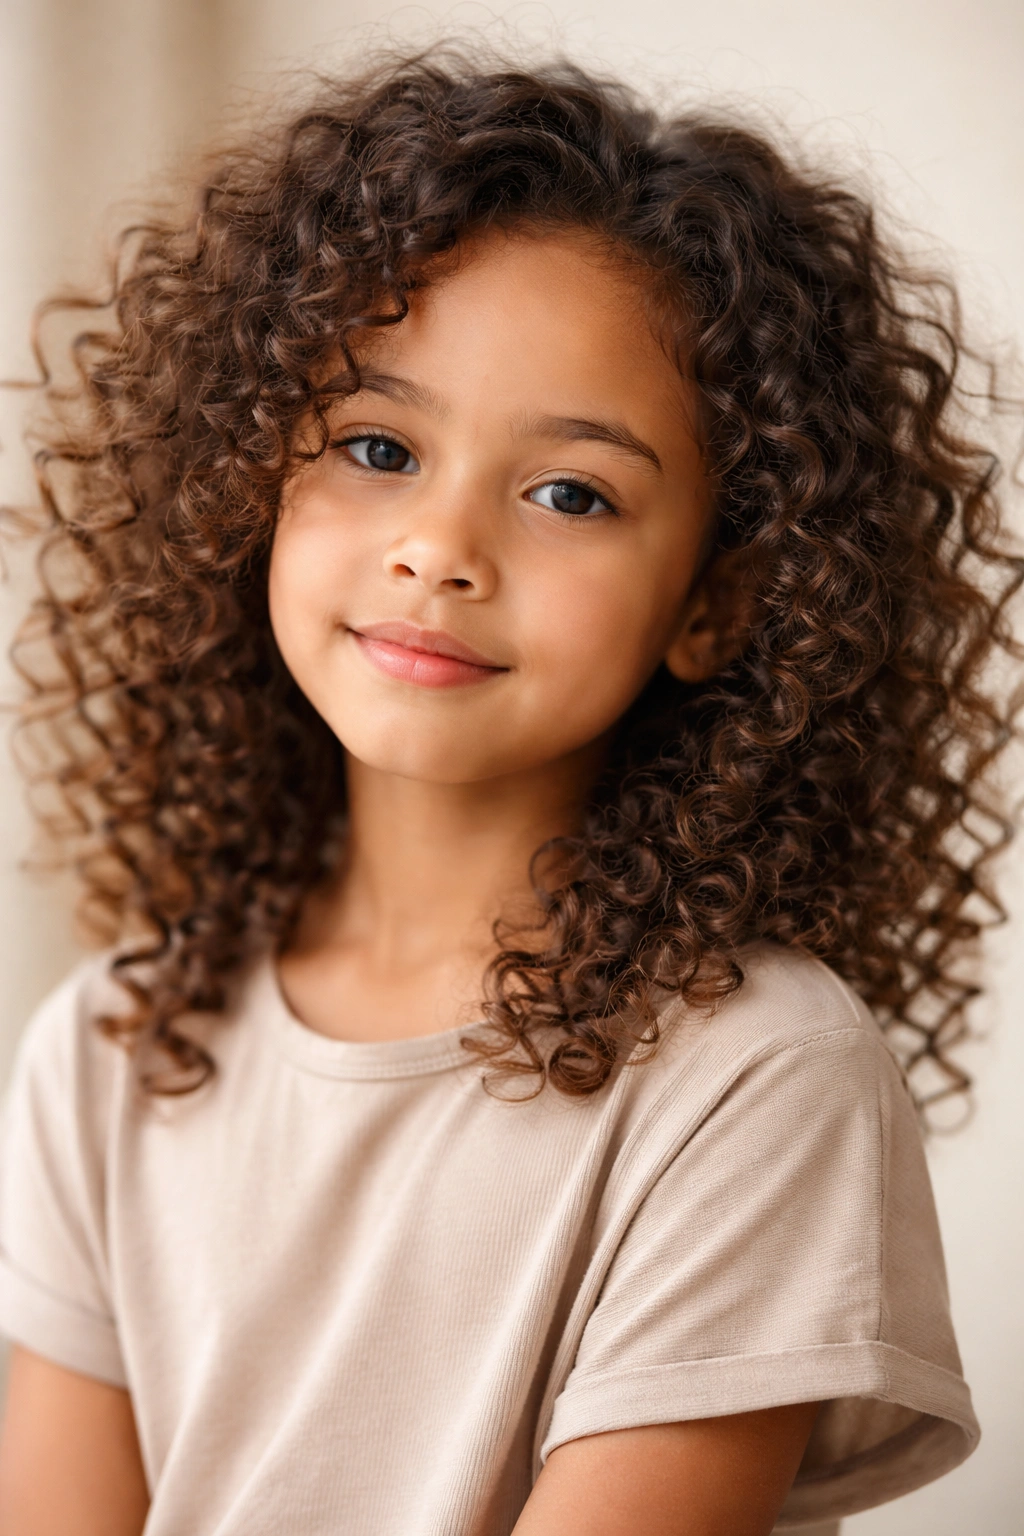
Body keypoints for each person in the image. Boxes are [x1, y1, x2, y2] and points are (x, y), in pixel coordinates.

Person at [0, 51, 1017, 1536]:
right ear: (243, 485)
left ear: (718, 604)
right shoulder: (113, 1048)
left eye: (571, 494)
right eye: (375, 448)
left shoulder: (755, 1079)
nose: (440, 545)